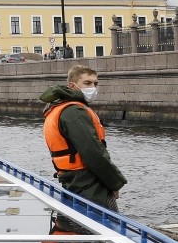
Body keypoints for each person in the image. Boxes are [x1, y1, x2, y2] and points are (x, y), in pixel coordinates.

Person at [40, 64, 126, 210]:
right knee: (105, 225)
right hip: (88, 182)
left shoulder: (59, 108)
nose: (92, 87)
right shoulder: (75, 112)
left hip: (72, 179)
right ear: (72, 85)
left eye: (95, 83)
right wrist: (114, 183)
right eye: (87, 83)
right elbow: (93, 152)